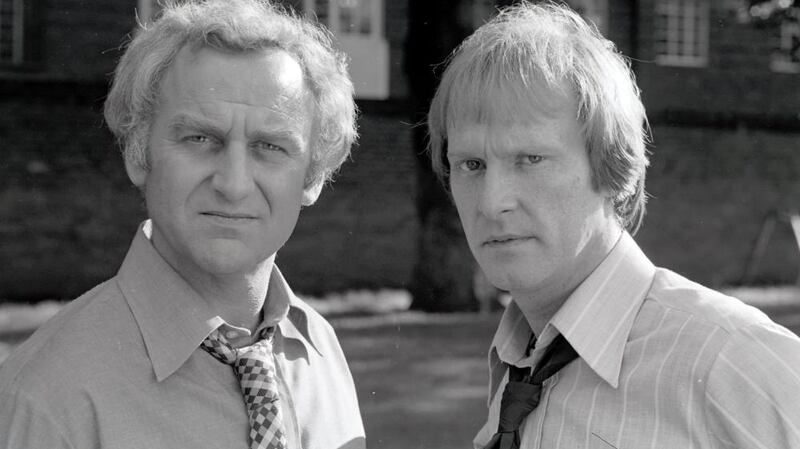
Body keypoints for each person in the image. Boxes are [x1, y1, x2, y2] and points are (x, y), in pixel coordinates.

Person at [427, 2, 800, 449]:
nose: (492, 202)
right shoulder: (520, 362)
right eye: (471, 164)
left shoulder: (729, 359)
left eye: (531, 159)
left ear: (613, 169)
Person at [0, 1, 364, 448]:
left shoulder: (321, 355)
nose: (233, 184)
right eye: (200, 139)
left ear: (313, 177)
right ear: (138, 152)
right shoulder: (49, 398)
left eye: (270, 146)